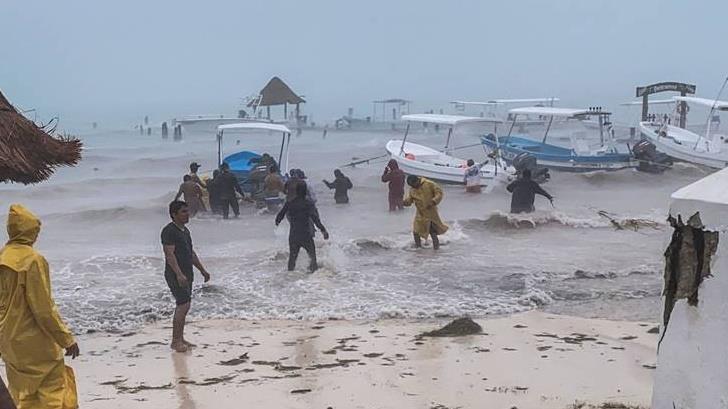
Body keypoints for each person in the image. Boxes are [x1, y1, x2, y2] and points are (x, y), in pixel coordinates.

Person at [0, 204, 80, 408]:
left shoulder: (2, 257)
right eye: (35, 230)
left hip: (8, 339)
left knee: (22, 390)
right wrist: (66, 339)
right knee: (51, 388)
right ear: (29, 230)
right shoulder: (33, 260)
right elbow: (43, 309)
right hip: (34, 339)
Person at [161, 201, 211, 353]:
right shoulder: (169, 231)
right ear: (174, 214)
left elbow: (191, 253)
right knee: (182, 305)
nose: (187, 214)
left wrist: (202, 270)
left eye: (187, 211)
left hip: (187, 272)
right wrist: (179, 274)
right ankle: (176, 341)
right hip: (176, 274)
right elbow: (169, 255)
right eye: (183, 212)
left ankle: (180, 338)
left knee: (185, 305)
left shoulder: (185, 230)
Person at [275, 183, 329, 272]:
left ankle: (289, 278)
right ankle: (312, 280)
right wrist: (323, 230)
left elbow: (280, 215)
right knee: (312, 259)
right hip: (305, 235)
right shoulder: (308, 204)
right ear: (305, 191)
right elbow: (315, 218)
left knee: (292, 260)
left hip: (293, 235)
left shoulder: (290, 203)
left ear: (296, 191)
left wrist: (277, 222)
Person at [403, 175, 448, 250]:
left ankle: (436, 249)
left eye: (414, 185)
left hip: (431, 212)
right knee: (416, 232)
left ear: (417, 181)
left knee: (432, 232)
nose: (414, 187)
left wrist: (433, 201)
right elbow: (409, 200)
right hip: (420, 213)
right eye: (412, 186)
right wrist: (403, 202)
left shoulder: (429, 184)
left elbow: (439, 193)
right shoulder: (412, 189)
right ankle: (418, 248)